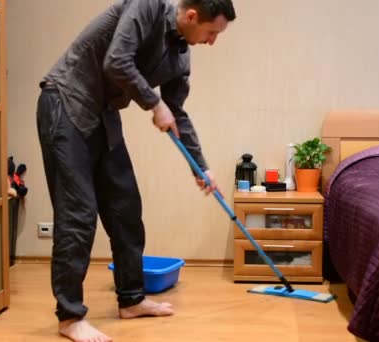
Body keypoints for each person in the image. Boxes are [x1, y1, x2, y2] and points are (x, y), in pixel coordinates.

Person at [36, 0, 236, 341]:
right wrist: (153, 103)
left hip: (103, 114)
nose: (212, 41)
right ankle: (70, 317)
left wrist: (200, 167)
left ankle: (131, 299)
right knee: (78, 214)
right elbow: (115, 61)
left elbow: (176, 113)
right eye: (212, 32)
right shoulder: (147, 7)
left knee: (125, 207)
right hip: (66, 100)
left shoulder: (181, 56)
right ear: (191, 16)